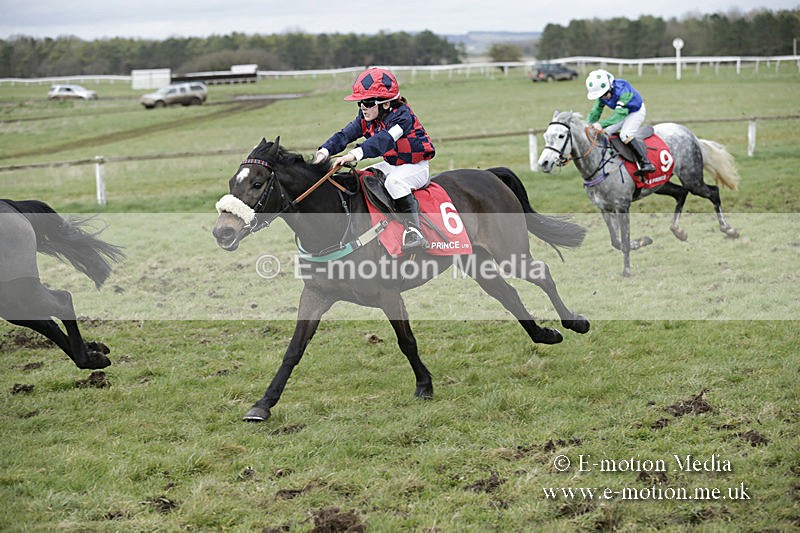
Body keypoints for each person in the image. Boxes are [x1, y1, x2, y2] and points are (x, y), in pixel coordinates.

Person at [314, 67, 436, 251]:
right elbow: (345, 135)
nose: (363, 106)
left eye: (368, 102)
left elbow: (383, 141)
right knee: (364, 177)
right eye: (360, 102)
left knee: (394, 183)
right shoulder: (367, 117)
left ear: (386, 104)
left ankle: (414, 231)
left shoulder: (403, 117)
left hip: (416, 167)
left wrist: (354, 154)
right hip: (392, 164)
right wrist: (324, 151)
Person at [585, 69, 656, 176]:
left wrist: (601, 124)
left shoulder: (623, 91)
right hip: (623, 112)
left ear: (610, 87)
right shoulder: (603, 94)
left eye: (605, 94)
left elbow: (619, 115)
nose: (604, 98)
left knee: (625, 135)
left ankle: (646, 163)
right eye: (601, 96)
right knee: (606, 133)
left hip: (635, 111)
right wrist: (587, 124)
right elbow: (596, 111)